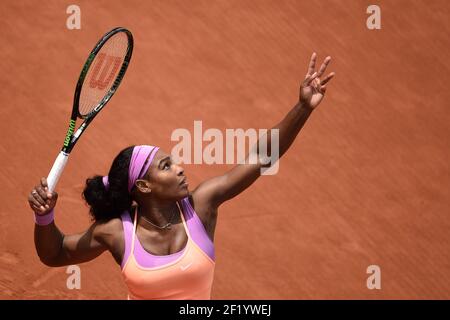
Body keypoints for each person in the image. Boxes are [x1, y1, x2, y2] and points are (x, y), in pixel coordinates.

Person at [28, 53, 334, 299]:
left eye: (173, 161)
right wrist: (45, 217)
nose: (179, 168)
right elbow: (55, 253)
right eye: (166, 166)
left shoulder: (202, 205)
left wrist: (303, 108)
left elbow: (259, 158)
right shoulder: (117, 232)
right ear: (144, 186)